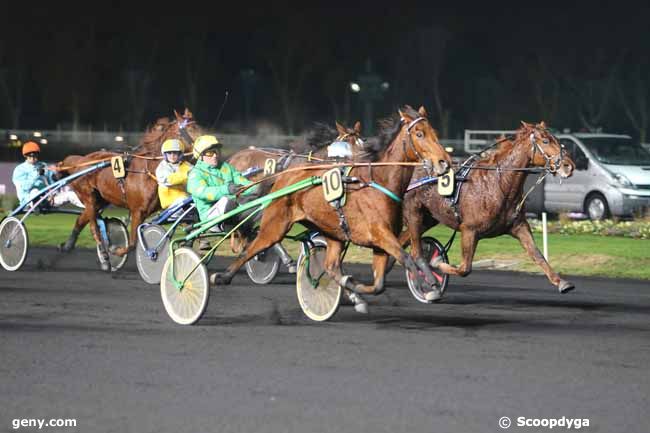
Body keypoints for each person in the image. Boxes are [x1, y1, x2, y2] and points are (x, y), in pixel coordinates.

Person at [187, 135, 296, 271]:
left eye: (216, 151)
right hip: (211, 219)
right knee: (229, 199)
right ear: (200, 155)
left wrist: (264, 187)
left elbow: (244, 184)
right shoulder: (195, 174)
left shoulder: (226, 168)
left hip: (234, 215)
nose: (215, 155)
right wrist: (226, 189)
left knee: (265, 205)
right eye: (210, 152)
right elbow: (202, 192)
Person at [12, 141, 84, 209]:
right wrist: (37, 174)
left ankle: (91, 208)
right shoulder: (19, 170)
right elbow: (24, 187)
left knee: (70, 194)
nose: (33, 157)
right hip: (28, 201)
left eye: (35, 154)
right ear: (25, 155)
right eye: (30, 155)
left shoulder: (43, 165)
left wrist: (56, 174)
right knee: (34, 190)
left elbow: (52, 182)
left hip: (48, 199)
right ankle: (39, 204)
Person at [155, 138, 193, 213]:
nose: (172, 156)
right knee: (184, 199)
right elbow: (169, 180)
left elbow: (195, 172)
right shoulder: (162, 167)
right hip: (170, 200)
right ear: (165, 155)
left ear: (180, 154)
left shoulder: (186, 165)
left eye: (175, 153)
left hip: (186, 198)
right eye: (169, 153)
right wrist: (187, 175)